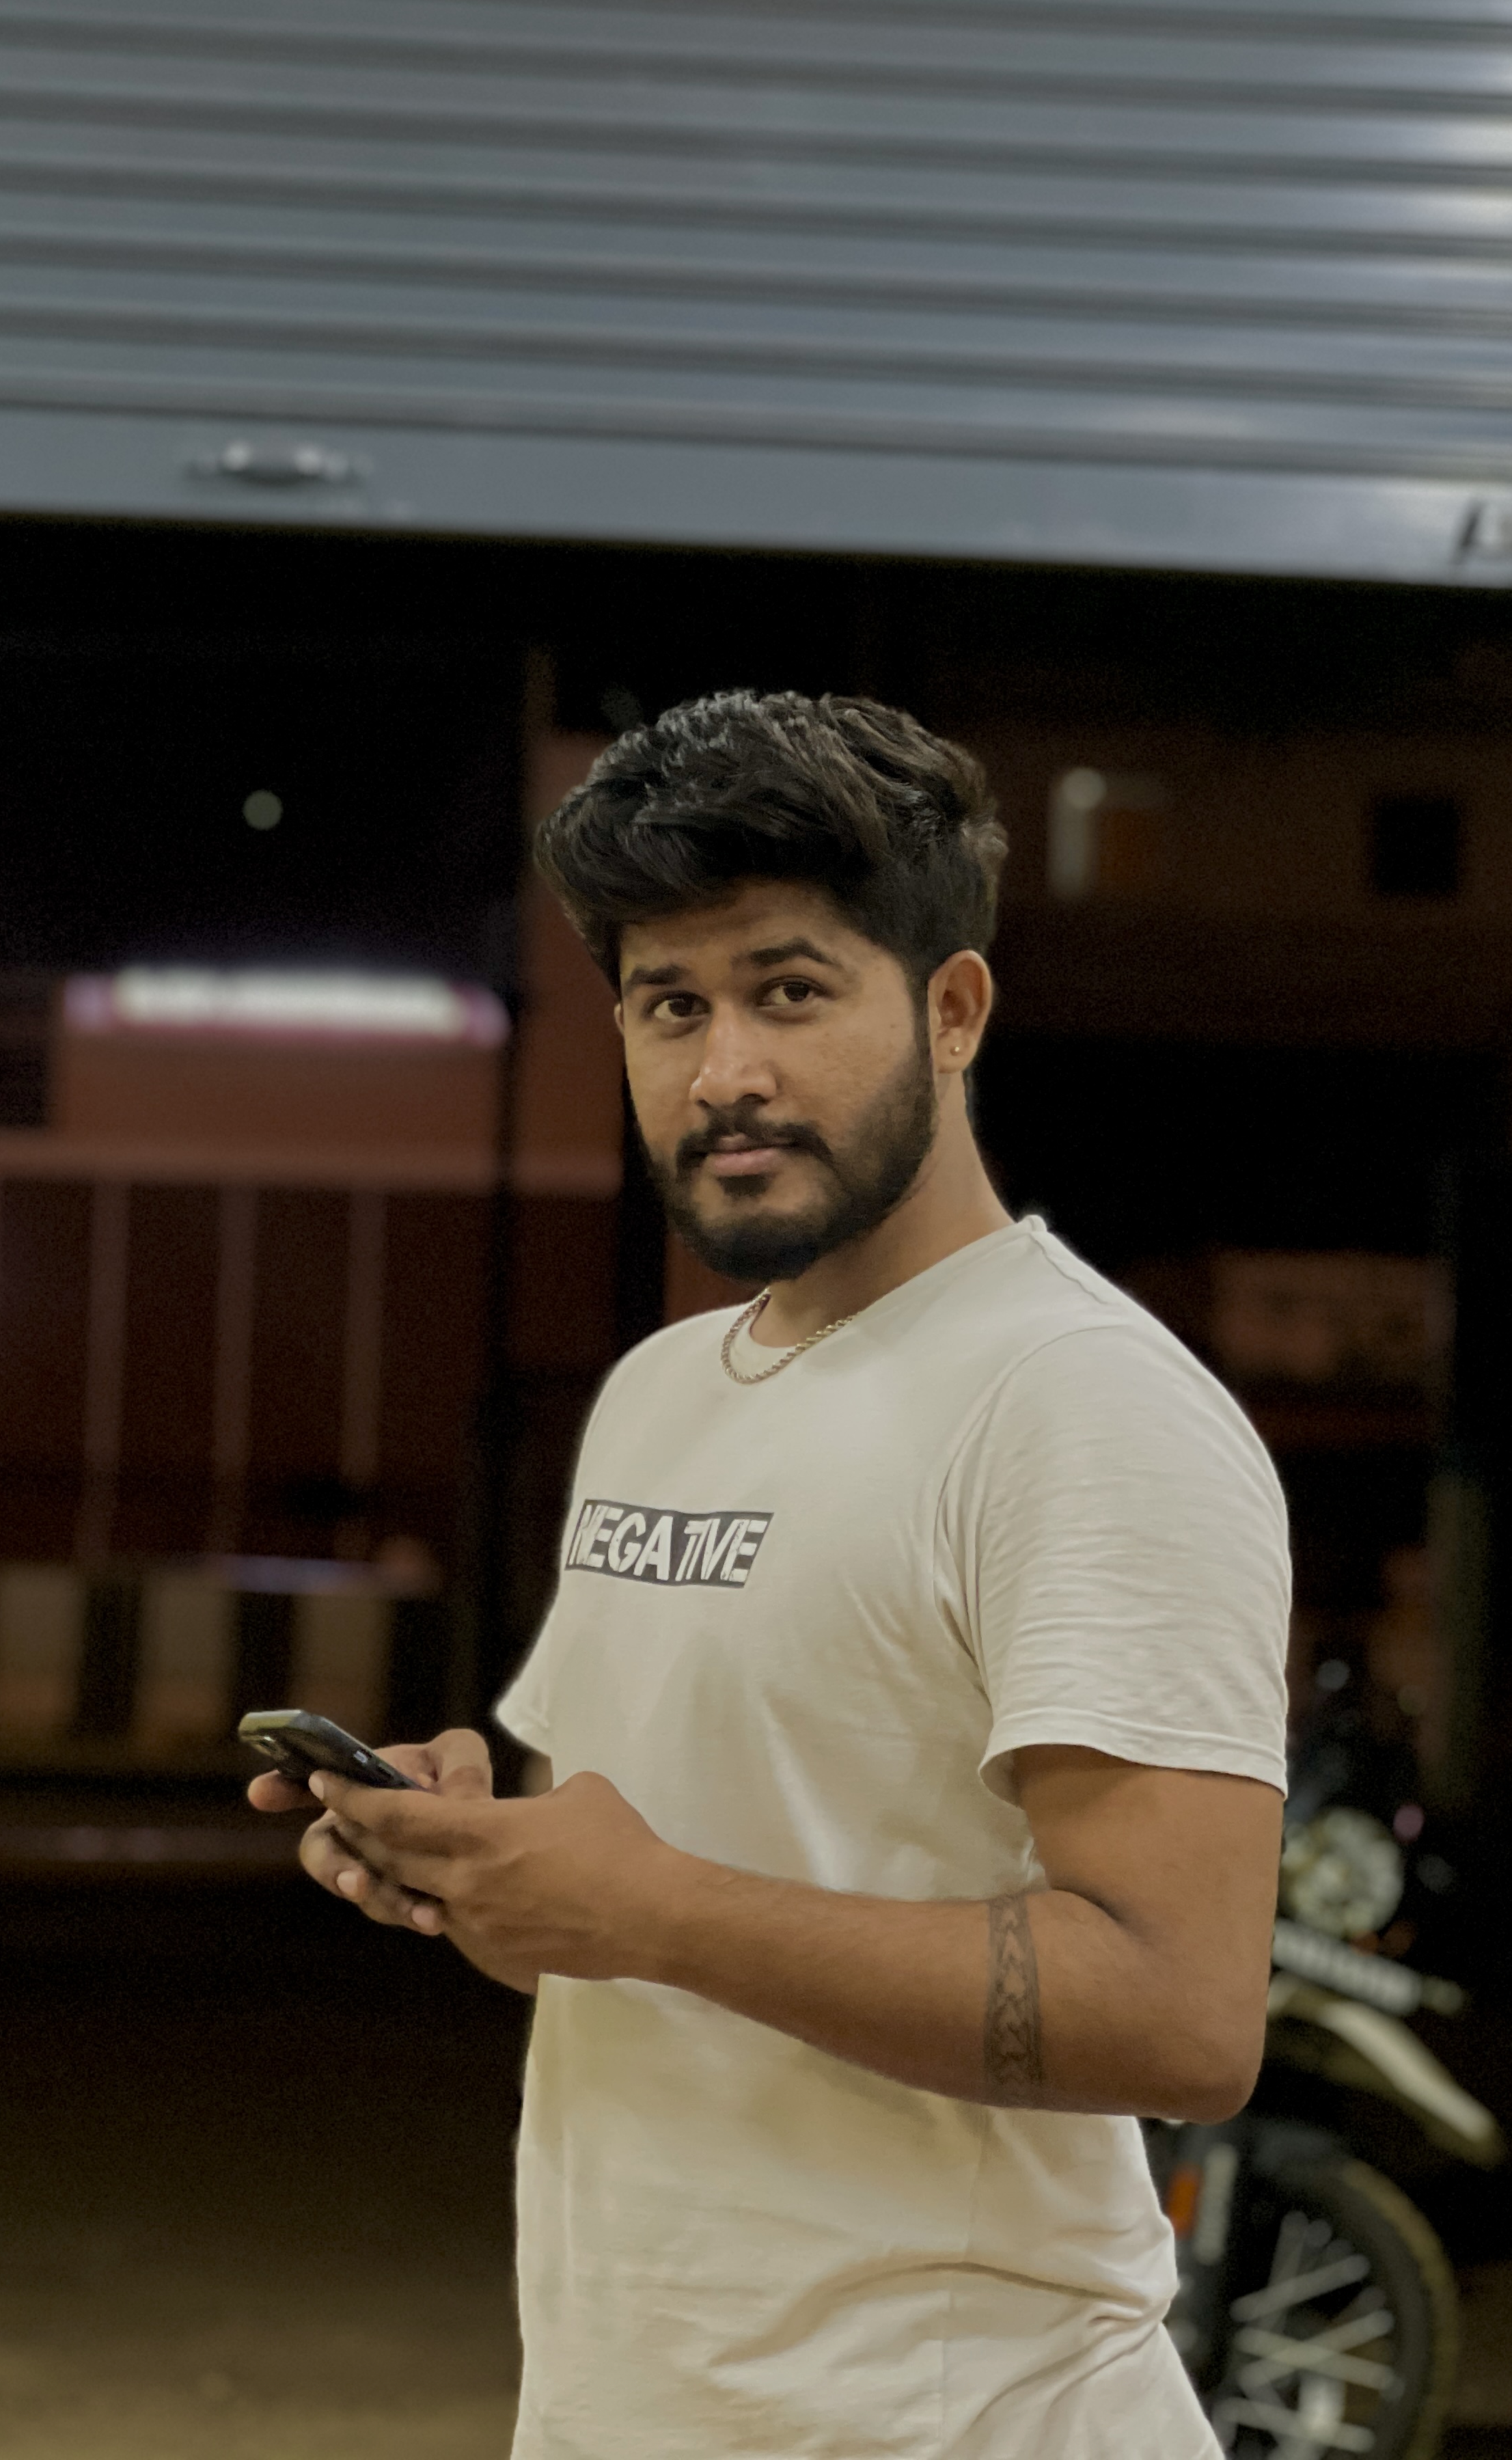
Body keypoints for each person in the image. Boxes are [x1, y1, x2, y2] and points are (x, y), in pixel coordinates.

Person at [249, 690, 1291, 2459]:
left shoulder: (1078, 1402)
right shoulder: (666, 1392)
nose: (724, 1069)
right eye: (671, 1005)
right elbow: (641, 1930)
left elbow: (1184, 2017)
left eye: (789, 992)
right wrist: (491, 1871)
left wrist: (652, 1908)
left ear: (952, 1009)